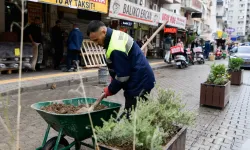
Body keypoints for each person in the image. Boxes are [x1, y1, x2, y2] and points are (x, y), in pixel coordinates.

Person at [87, 20, 155, 119]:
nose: (96, 44)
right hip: (139, 77)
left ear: (103, 32)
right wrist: (113, 77)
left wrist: (110, 89)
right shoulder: (115, 35)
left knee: (134, 117)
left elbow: (123, 76)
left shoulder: (115, 46)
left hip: (139, 82)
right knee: (135, 113)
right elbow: (120, 65)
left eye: (96, 40)